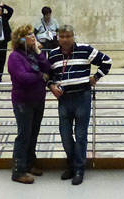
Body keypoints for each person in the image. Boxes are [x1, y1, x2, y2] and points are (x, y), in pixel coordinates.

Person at [48, 25, 112, 185]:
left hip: (82, 97)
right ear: (57, 37)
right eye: (62, 36)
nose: (65, 39)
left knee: (81, 135)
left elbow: (107, 61)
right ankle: (71, 164)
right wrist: (51, 85)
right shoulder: (53, 54)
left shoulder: (85, 50)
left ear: (73, 36)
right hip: (64, 99)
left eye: (68, 36)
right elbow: (48, 74)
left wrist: (96, 77)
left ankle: (78, 169)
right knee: (65, 136)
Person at [7, 24, 51, 184]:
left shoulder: (35, 54)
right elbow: (23, 78)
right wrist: (40, 76)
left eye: (34, 34)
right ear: (21, 39)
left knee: (33, 134)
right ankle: (18, 171)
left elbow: (47, 67)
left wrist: (39, 52)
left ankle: (29, 163)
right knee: (24, 135)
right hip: (23, 101)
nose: (33, 37)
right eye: (29, 35)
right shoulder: (15, 57)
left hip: (38, 99)